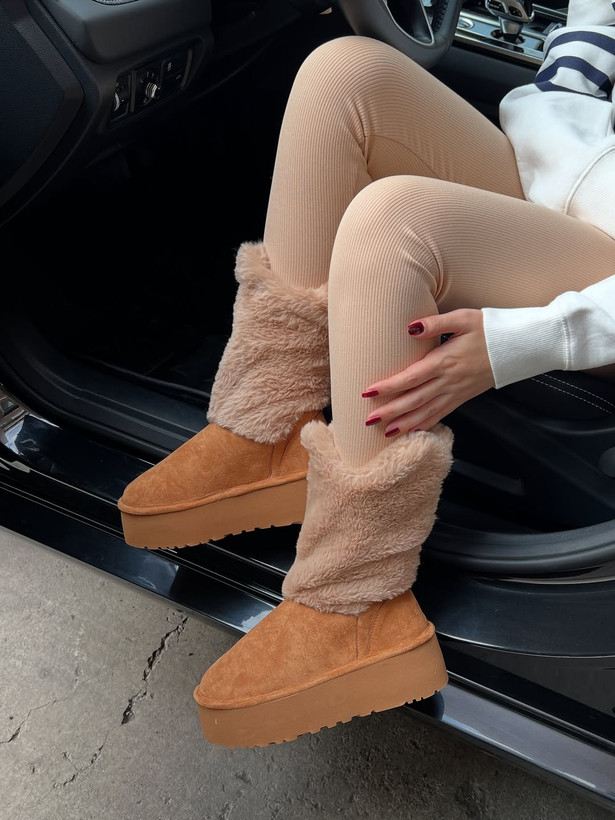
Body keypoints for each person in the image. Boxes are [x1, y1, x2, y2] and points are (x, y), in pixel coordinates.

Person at [117, 0, 615, 748]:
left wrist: (526, 339)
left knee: (393, 221)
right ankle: (267, 422)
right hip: (561, 163)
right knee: (343, 72)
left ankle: (358, 599)